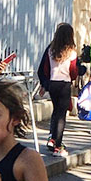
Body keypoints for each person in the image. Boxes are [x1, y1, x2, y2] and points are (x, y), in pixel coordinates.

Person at [37, 23, 80, 156]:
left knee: (56, 111)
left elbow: (45, 68)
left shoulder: (51, 50)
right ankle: (58, 145)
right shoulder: (71, 52)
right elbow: (73, 72)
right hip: (64, 84)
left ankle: (52, 137)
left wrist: (45, 84)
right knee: (62, 115)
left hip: (52, 83)